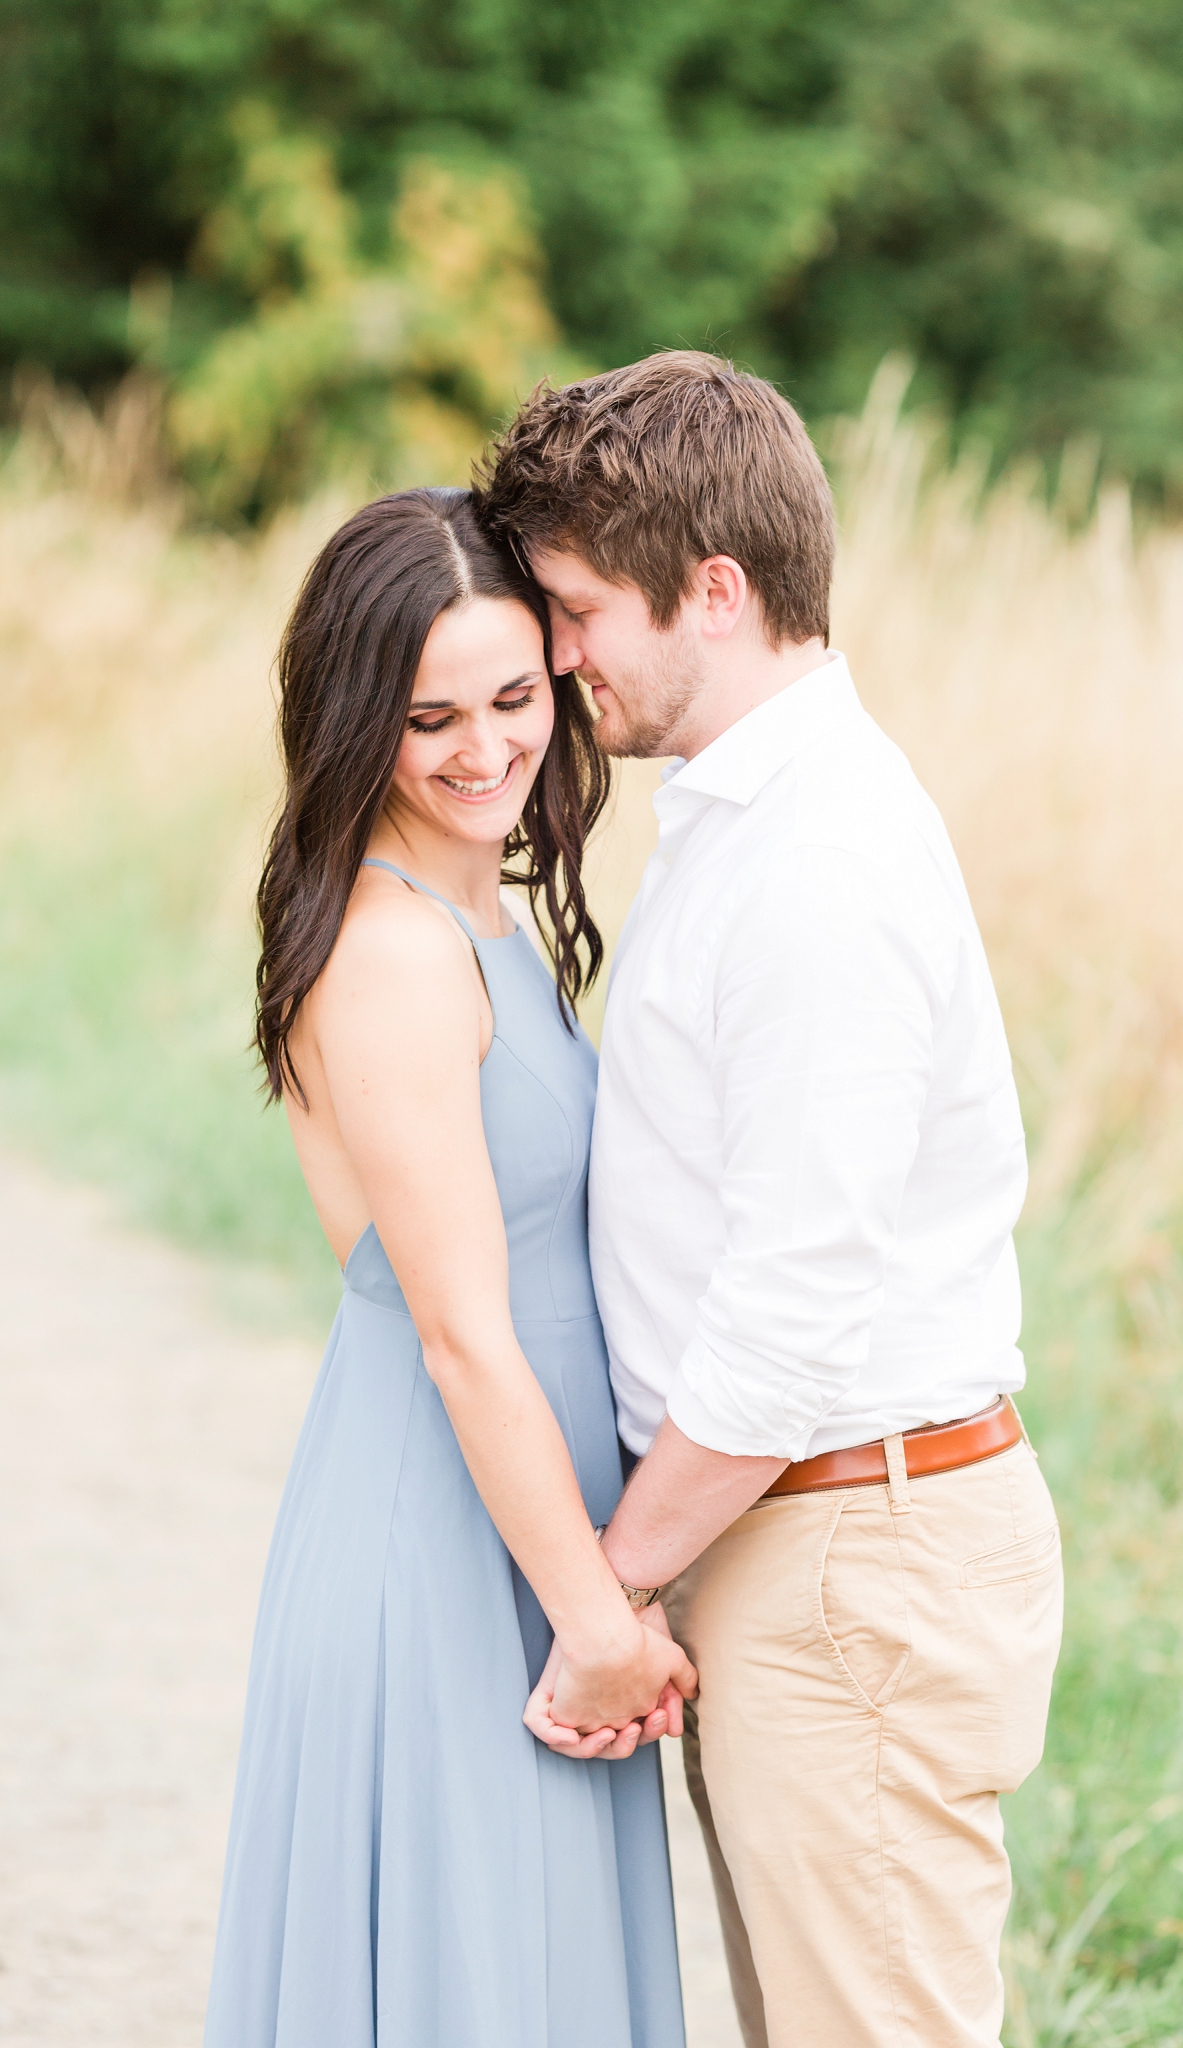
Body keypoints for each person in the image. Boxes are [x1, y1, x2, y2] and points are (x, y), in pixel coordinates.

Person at [480, 352, 1066, 2048]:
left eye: (579, 608)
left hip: (841, 1554)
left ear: (715, 590)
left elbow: (796, 1302)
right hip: (795, 1537)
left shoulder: (818, 857)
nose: (560, 653)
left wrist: (615, 1586)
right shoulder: (746, 817)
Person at [202, 487, 694, 2048]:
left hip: (510, 1520)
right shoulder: (396, 949)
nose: (485, 749)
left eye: (510, 695)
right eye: (429, 717)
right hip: (458, 1548)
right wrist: (598, 1616)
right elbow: (457, 1332)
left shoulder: (481, 919)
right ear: (360, 721)